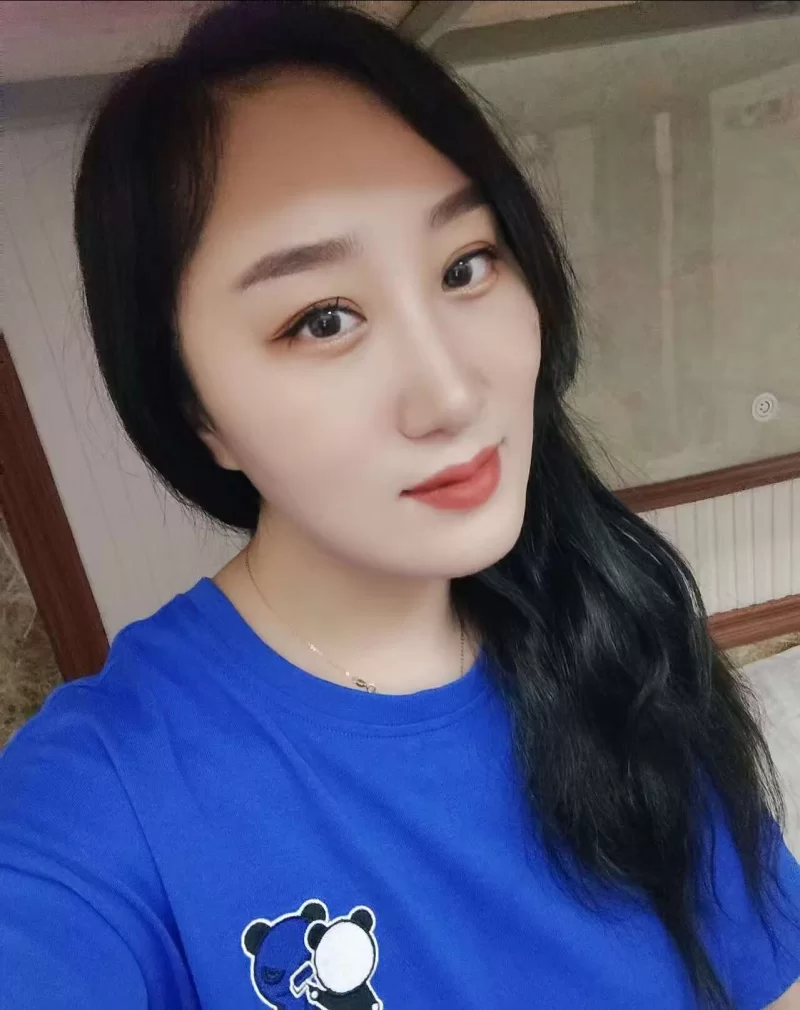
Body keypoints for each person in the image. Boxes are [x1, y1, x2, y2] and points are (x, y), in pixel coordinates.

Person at [1, 2, 798, 1008]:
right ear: (195, 410)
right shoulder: (109, 793)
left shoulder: (614, 619)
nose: (453, 393)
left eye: (465, 264)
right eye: (322, 319)